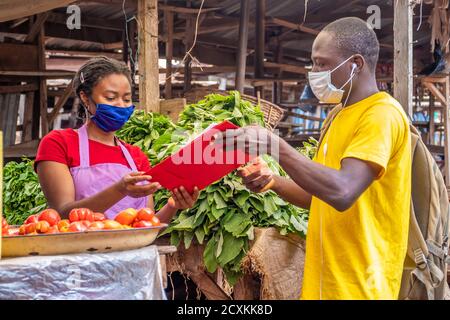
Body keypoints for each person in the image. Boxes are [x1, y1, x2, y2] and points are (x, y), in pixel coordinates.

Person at [215, 17, 412, 299]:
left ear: (355, 64)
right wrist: (273, 182)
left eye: (321, 63)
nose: (314, 71)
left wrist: (276, 147)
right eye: (313, 63)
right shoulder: (338, 116)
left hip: (361, 286)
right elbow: (321, 195)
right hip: (324, 283)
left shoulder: (381, 115)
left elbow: (343, 191)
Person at [35, 56, 199, 223]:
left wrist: (172, 205)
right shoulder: (59, 143)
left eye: (127, 99)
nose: (121, 105)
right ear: (85, 97)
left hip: (134, 249)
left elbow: (146, 225)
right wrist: (120, 189)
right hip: (82, 247)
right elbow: (61, 213)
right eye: (111, 98)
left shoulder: (136, 157)